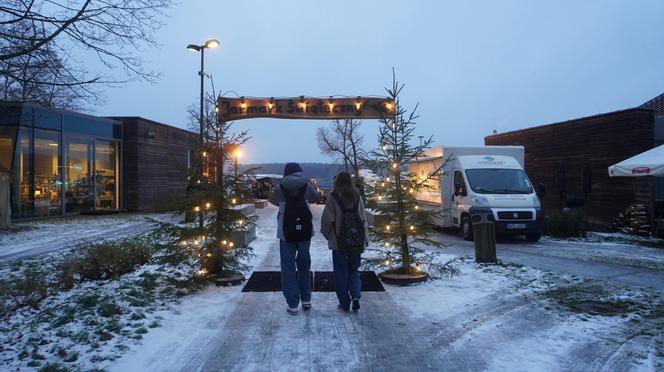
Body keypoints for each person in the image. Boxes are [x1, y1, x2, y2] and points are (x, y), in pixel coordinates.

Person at [268, 163, 320, 315]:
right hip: (305, 233)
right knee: (304, 266)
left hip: (286, 234)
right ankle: (306, 300)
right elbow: (316, 198)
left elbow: (272, 200)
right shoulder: (307, 185)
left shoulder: (279, 188)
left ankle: (292, 304)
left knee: (288, 268)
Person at [321, 171, 369, 312]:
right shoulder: (357, 197)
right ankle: (355, 296)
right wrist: (364, 238)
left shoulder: (333, 197)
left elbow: (327, 219)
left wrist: (327, 235)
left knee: (341, 273)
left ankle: (344, 302)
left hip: (339, 243)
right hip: (355, 241)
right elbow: (363, 219)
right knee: (354, 270)